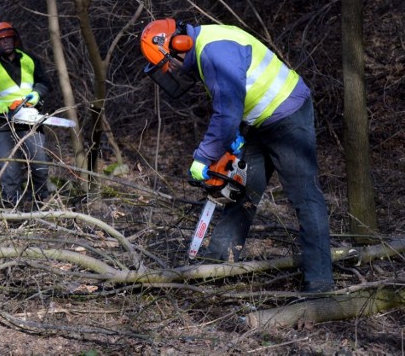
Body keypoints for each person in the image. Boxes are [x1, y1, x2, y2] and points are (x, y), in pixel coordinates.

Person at [140, 19, 334, 293]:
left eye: (169, 63)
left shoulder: (214, 51)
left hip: (288, 115)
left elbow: (227, 113)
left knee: (305, 197)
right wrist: (233, 138)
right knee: (241, 191)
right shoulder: (206, 49)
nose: (172, 69)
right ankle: (217, 266)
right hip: (260, 121)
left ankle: (320, 282)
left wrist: (203, 157)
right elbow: (232, 102)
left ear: (178, 43)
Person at [0, 21, 52, 207]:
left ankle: (39, 202)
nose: (6, 42)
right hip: (3, 121)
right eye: (1, 39)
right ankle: (12, 205)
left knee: (39, 162)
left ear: (15, 40)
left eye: (9, 38)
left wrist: (37, 93)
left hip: (30, 117)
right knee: (8, 166)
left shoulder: (29, 60)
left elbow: (45, 83)